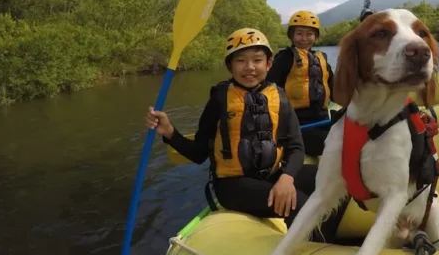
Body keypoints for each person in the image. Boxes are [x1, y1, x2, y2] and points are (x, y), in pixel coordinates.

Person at [145, 28, 343, 242]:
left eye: (257, 60)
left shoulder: (280, 98)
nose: (250, 68)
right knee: (303, 206)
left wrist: (286, 177)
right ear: (230, 66)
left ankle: (330, 241)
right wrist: (169, 132)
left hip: (273, 173)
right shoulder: (220, 100)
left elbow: (296, 147)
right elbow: (199, 152)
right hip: (234, 185)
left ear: (268, 64)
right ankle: (308, 253)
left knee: (333, 180)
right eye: (240, 61)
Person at [266, 11, 334, 156]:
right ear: (291, 36)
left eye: (309, 34)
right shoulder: (285, 58)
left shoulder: (321, 59)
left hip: (322, 120)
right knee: (332, 145)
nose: (304, 38)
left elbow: (333, 89)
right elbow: (268, 89)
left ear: (315, 37)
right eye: (299, 33)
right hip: (297, 124)